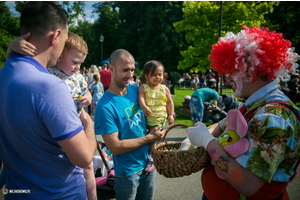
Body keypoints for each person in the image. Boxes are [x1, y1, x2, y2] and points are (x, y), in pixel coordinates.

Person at [187, 25, 300, 200]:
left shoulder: (274, 116)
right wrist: (199, 135)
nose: (228, 77)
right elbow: (223, 124)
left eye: (233, 68)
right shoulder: (254, 103)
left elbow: (248, 184)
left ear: (251, 69)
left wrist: (208, 142)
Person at [0, 2, 96, 200]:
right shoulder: (50, 87)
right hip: (59, 194)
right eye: (64, 39)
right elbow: (84, 157)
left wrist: (12, 47)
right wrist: (90, 127)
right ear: (55, 36)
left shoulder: (5, 74)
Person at [94, 49, 165, 200]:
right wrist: (148, 138)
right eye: (125, 70)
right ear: (111, 69)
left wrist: (158, 127)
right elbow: (115, 147)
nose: (130, 74)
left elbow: (153, 116)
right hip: (127, 173)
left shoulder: (137, 90)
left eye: (132, 70)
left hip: (149, 167)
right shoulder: (104, 106)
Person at [138, 60, 175, 173]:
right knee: (148, 138)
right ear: (146, 76)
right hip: (147, 119)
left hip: (159, 119)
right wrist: (144, 106)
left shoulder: (165, 89)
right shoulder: (143, 87)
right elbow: (141, 98)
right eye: (154, 75)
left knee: (153, 138)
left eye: (160, 74)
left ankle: (151, 158)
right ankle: (151, 155)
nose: (157, 77)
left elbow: (170, 102)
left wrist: (171, 115)